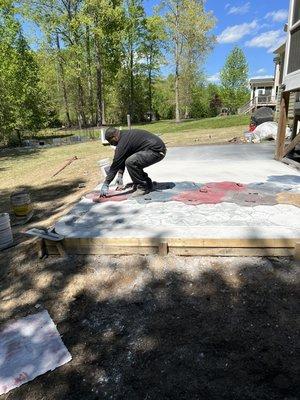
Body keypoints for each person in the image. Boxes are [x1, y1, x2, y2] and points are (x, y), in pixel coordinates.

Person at [100, 127, 166, 197]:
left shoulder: (123, 143)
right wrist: (120, 175)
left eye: (111, 141)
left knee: (131, 162)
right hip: (155, 149)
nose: (111, 144)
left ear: (115, 136)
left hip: (156, 151)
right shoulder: (124, 136)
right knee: (132, 160)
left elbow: (115, 165)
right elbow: (122, 158)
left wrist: (106, 183)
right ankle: (147, 183)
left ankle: (142, 187)